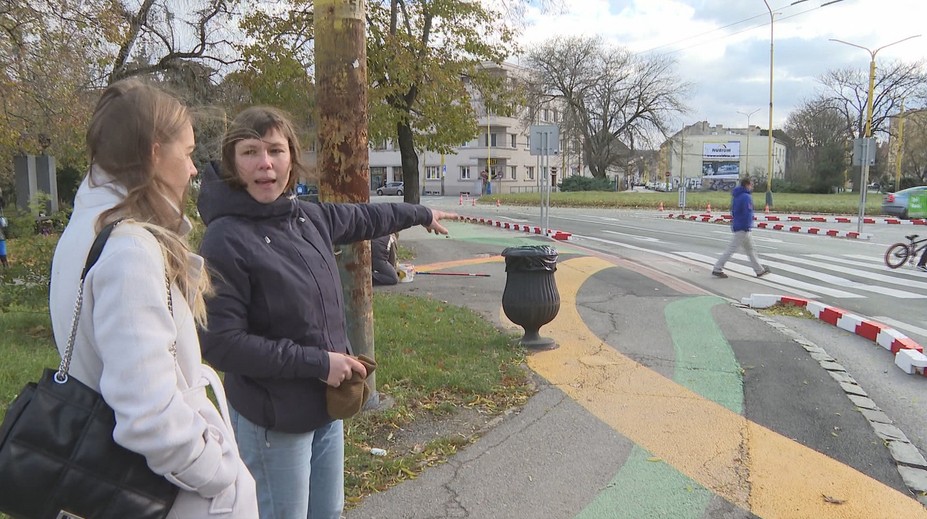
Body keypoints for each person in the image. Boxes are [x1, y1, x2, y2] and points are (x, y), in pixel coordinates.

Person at [196, 105, 459, 519]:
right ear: (232, 163)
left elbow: (367, 217)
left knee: (329, 512)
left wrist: (421, 213)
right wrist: (320, 363)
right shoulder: (224, 239)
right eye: (250, 152)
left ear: (291, 158)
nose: (265, 163)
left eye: (275, 150)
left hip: (325, 409)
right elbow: (222, 345)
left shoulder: (306, 217)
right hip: (274, 421)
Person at [48, 78, 258, 518]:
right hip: (170, 497)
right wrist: (220, 473)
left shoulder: (89, 228)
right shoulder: (130, 250)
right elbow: (149, 415)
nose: (193, 170)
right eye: (187, 153)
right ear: (154, 153)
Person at [711, 177, 771, 279]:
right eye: (751, 185)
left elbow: (734, 211)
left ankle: (759, 270)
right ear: (747, 185)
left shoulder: (737, 196)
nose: (752, 187)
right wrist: (747, 225)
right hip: (743, 227)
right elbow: (748, 213)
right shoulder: (746, 197)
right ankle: (717, 268)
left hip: (738, 224)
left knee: (750, 249)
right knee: (732, 249)